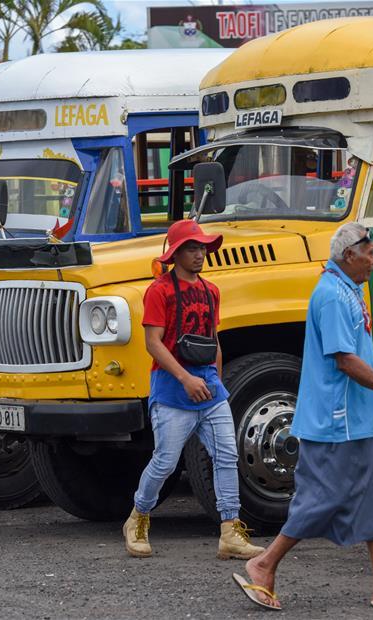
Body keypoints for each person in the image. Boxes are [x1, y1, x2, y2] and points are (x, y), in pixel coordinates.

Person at [232, 222, 373, 611]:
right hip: (334, 422)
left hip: (352, 420)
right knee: (320, 500)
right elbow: (345, 360)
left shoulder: (347, 289)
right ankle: (263, 563)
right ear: (349, 256)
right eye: (370, 254)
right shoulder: (332, 296)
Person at [123, 219, 265, 561]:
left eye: (202, 248)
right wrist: (186, 379)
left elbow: (212, 341)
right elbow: (153, 344)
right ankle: (138, 517)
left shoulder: (210, 290)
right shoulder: (159, 291)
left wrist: (214, 382)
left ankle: (230, 530)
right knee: (166, 461)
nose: (199, 254)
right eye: (192, 248)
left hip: (209, 391)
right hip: (172, 390)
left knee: (228, 457)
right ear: (176, 254)